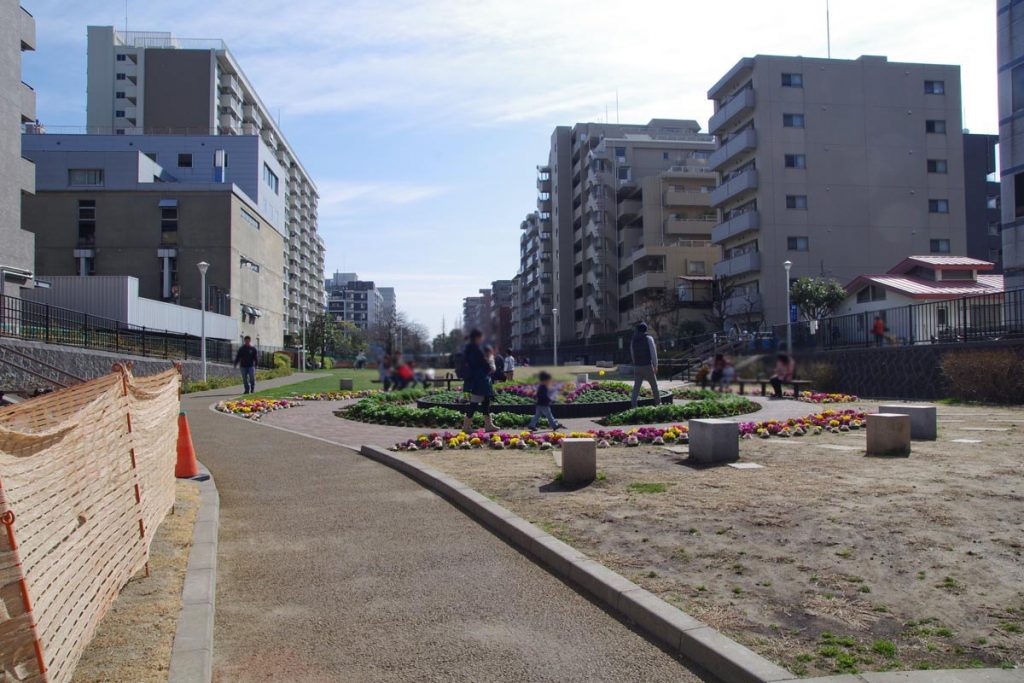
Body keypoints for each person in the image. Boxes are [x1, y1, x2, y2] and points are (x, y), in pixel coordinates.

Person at [461, 329, 497, 432]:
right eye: (481, 337)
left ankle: (488, 425)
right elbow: (484, 365)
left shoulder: (469, 349)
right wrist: (490, 361)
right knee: (474, 404)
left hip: (476, 381)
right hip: (479, 381)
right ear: (477, 337)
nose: (482, 339)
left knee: (486, 402)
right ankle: (466, 427)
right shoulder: (475, 350)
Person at [630, 322, 661, 409]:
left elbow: (632, 353)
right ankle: (658, 405)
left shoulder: (633, 340)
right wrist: (655, 365)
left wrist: (635, 363)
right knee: (654, 387)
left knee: (636, 388)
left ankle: (633, 406)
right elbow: (653, 353)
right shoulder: (649, 338)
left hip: (637, 367)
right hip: (647, 366)